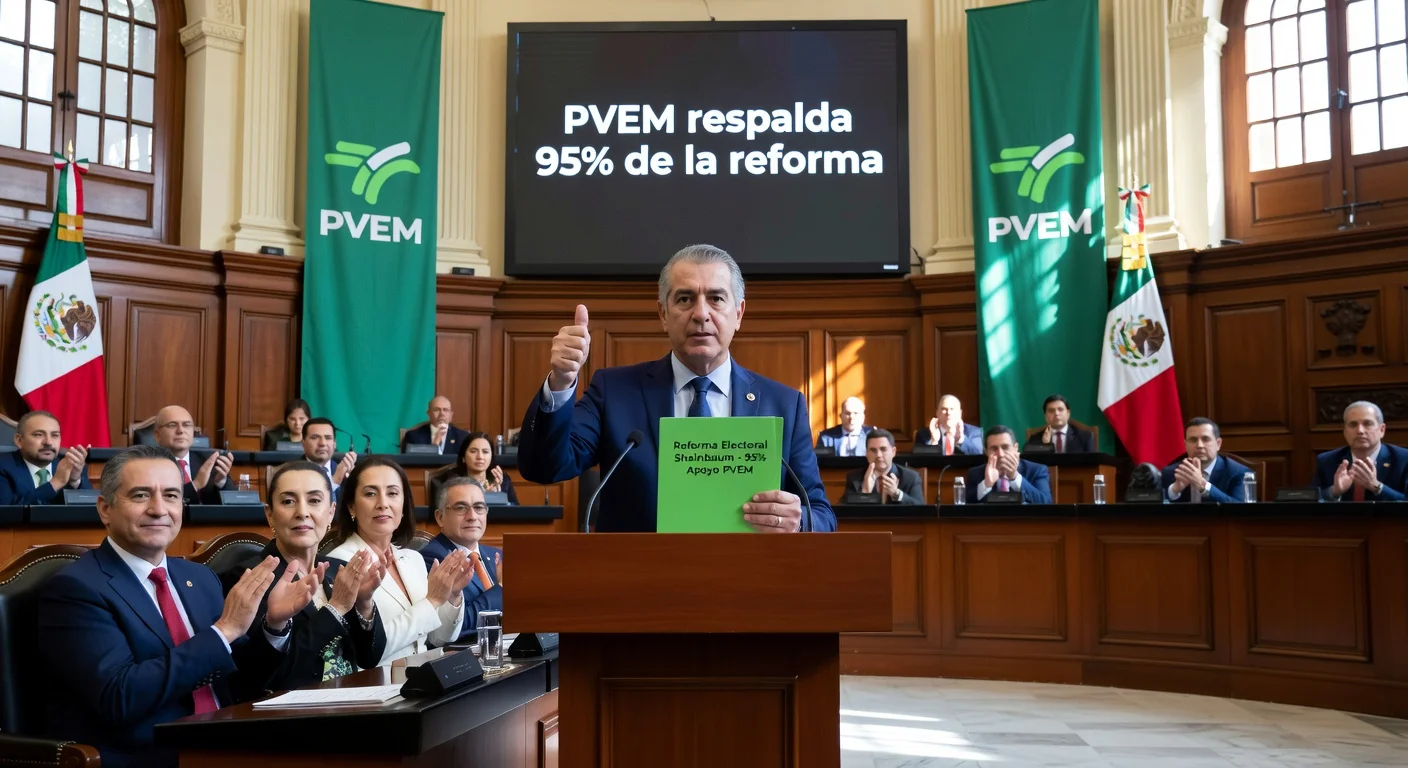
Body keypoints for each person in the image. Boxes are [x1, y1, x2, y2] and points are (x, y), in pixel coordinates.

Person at [518, 244, 834, 533]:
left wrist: (799, 520)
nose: (700, 314)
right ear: (663, 314)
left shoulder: (783, 404)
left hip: (747, 582)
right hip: (641, 583)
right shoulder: (614, 392)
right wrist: (560, 381)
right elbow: (545, 467)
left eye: (716, 298)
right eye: (685, 299)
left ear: (738, 314)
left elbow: (822, 516)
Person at [37, 446, 314, 768]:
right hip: (147, 756)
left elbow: (236, 681)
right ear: (105, 509)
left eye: (170, 495)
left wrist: (273, 626)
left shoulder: (199, 577)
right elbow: (118, 696)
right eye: (141, 496)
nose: (158, 509)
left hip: (229, 744)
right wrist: (223, 631)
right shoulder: (76, 589)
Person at [222, 460, 389, 692]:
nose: (302, 512)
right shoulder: (247, 578)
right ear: (270, 515)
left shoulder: (338, 569)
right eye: (288, 501)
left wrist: (364, 604)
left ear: (331, 512)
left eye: (314, 501)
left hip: (352, 705)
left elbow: (370, 658)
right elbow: (265, 679)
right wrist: (337, 608)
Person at [322, 456, 472, 665]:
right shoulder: (341, 564)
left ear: (403, 507)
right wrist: (432, 601)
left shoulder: (413, 559)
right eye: (370, 494)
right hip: (373, 687)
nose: (383, 503)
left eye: (392, 493)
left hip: (423, 681)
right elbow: (369, 649)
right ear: (352, 507)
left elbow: (439, 638)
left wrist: (452, 596)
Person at [420, 477, 502, 640]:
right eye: (460, 508)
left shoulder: (496, 555)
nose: (472, 516)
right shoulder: (433, 559)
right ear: (440, 517)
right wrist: (501, 589)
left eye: (479, 507)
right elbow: (454, 625)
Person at [1313, 400, 1408, 501]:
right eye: (1353, 424)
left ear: (1382, 430)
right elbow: (1309, 502)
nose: (1360, 431)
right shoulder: (1327, 460)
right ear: (1345, 431)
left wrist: (1377, 486)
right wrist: (1334, 492)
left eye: (1367, 424)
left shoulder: (1404, 459)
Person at [0, 409, 92, 504]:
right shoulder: (2, 466)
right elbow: (7, 514)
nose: (48, 442)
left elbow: (90, 512)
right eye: (38, 435)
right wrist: (56, 483)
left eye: (55, 435)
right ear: (19, 440)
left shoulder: (71, 464)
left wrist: (74, 482)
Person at [151, 405, 233, 505]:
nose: (180, 430)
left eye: (186, 425)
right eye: (172, 425)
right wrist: (196, 484)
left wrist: (220, 482)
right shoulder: (148, 466)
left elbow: (234, 506)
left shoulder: (209, 462)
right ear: (157, 435)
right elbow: (160, 504)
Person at [1161, 417, 1249, 503]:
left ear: (1218, 444)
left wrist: (1203, 485)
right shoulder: (1170, 472)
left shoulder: (1238, 473)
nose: (1199, 445)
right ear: (1185, 445)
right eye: (1193, 440)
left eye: (1206, 439)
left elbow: (1241, 510)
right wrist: (1174, 490)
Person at [964, 426, 1052, 503]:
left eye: (1005, 447)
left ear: (1016, 448)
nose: (1000, 454)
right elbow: (965, 505)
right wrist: (986, 484)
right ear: (986, 452)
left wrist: (1015, 477)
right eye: (994, 448)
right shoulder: (975, 473)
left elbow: (1046, 503)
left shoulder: (1037, 470)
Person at [432, 431, 519, 506]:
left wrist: (498, 496)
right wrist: (485, 497)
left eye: (485, 452)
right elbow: (445, 511)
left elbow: (515, 512)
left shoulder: (502, 481)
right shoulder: (447, 481)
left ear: (491, 457)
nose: (480, 457)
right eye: (473, 451)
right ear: (463, 457)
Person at [842, 429, 924, 504]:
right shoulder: (854, 478)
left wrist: (897, 494)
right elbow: (843, 511)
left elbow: (921, 510)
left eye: (883, 449)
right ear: (866, 453)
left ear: (893, 452)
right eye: (873, 450)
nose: (878, 455)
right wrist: (864, 493)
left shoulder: (911, 477)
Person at [301, 417, 356, 502]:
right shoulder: (290, 472)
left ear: (334, 443)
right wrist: (334, 482)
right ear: (303, 443)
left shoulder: (345, 471)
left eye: (328, 438)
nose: (322, 443)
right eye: (315, 437)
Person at [1023, 394, 1096, 453]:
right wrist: (1045, 445)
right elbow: (1029, 462)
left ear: (1068, 413)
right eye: (1051, 411)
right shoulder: (1035, 439)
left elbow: (1092, 465)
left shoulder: (1085, 437)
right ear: (1045, 416)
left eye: (1060, 409)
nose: (1056, 413)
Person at [400, 395, 470, 454]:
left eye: (445, 410)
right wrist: (436, 442)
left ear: (451, 415)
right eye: (436, 410)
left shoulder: (463, 437)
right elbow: (410, 462)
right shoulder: (413, 436)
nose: (441, 414)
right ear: (428, 414)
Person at [914, 395, 982, 455]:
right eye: (944, 409)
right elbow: (919, 461)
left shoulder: (975, 432)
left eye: (952, 409)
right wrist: (933, 441)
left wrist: (960, 440)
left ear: (960, 413)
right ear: (937, 413)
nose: (948, 413)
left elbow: (979, 458)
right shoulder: (923, 435)